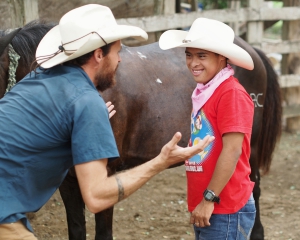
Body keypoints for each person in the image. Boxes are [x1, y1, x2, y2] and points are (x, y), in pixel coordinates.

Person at [0, 5, 215, 240]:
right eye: (117, 51)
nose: (121, 59)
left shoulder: (36, 79)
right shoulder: (86, 101)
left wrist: (85, 126)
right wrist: (161, 161)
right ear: (99, 55)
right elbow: (96, 197)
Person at [159, 18, 256, 239]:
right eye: (189, 55)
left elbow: (232, 151)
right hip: (211, 203)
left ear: (221, 57)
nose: (193, 63)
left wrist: (209, 199)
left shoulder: (230, 93)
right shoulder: (207, 91)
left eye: (201, 56)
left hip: (224, 205)